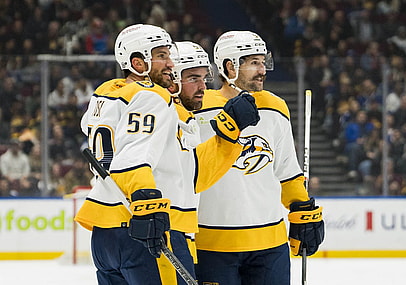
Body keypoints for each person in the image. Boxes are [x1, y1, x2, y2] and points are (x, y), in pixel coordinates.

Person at [75, 24, 259, 285]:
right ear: (138, 63)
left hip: (106, 234)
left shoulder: (109, 96)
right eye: (162, 56)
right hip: (146, 226)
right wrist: (146, 202)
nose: (171, 64)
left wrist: (229, 132)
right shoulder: (152, 97)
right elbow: (133, 156)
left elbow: (190, 175)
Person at [193, 31, 325, 285]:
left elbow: (287, 169)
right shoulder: (198, 107)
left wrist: (302, 208)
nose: (262, 69)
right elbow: (189, 171)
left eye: (263, 62)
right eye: (253, 62)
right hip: (213, 244)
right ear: (229, 66)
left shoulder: (275, 106)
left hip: (270, 244)